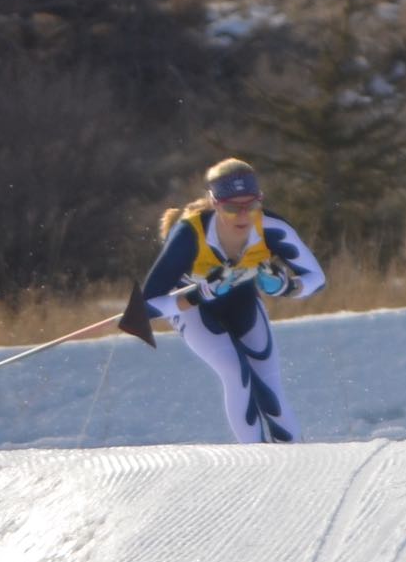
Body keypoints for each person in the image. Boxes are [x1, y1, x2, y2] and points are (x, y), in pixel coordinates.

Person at [137, 158, 324, 444]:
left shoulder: (271, 227)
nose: (243, 215)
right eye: (232, 208)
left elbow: (316, 279)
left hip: (241, 299)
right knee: (237, 375)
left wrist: (287, 287)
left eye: (252, 204)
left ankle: (294, 456)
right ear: (215, 203)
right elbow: (145, 307)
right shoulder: (189, 234)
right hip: (193, 310)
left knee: (269, 384)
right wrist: (199, 294)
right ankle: (256, 456)